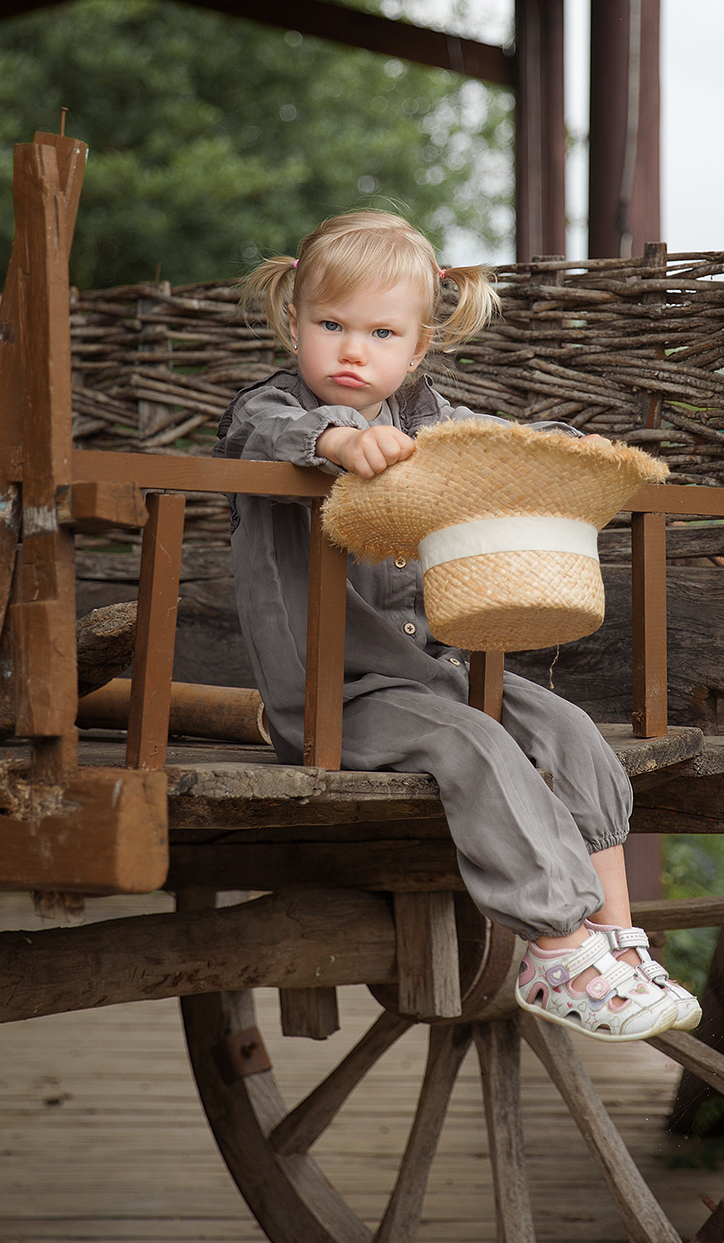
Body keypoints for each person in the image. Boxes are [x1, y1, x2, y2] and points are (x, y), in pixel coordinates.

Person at [215, 210, 699, 1041]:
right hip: (335, 698)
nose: (351, 350)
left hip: (432, 679)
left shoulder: (426, 420)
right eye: (330, 325)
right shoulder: (271, 413)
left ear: (417, 347)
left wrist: (563, 450)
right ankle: (556, 947)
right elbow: (274, 433)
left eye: (380, 333)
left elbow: (492, 441)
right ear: (293, 322)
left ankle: (616, 939)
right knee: (474, 742)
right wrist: (336, 442)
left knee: (564, 726)